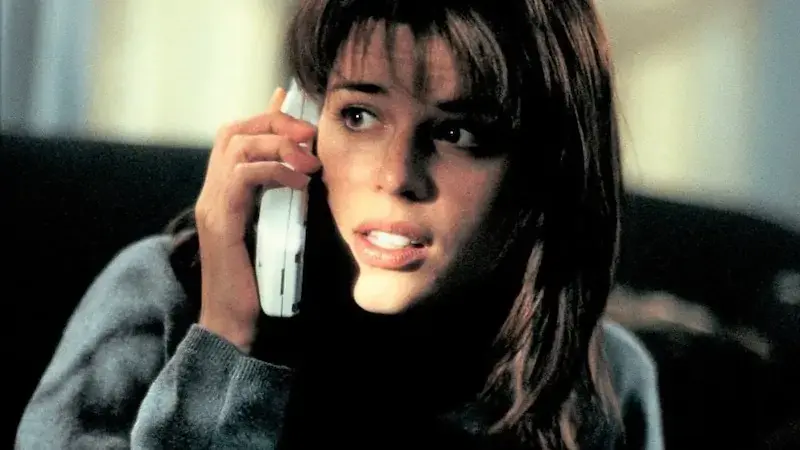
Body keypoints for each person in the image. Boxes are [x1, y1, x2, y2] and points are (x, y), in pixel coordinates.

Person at [16, 0, 664, 448]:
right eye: (358, 116)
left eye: (458, 133)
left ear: (547, 168)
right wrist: (227, 342)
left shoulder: (606, 379)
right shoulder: (157, 299)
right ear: (304, 119)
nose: (396, 175)